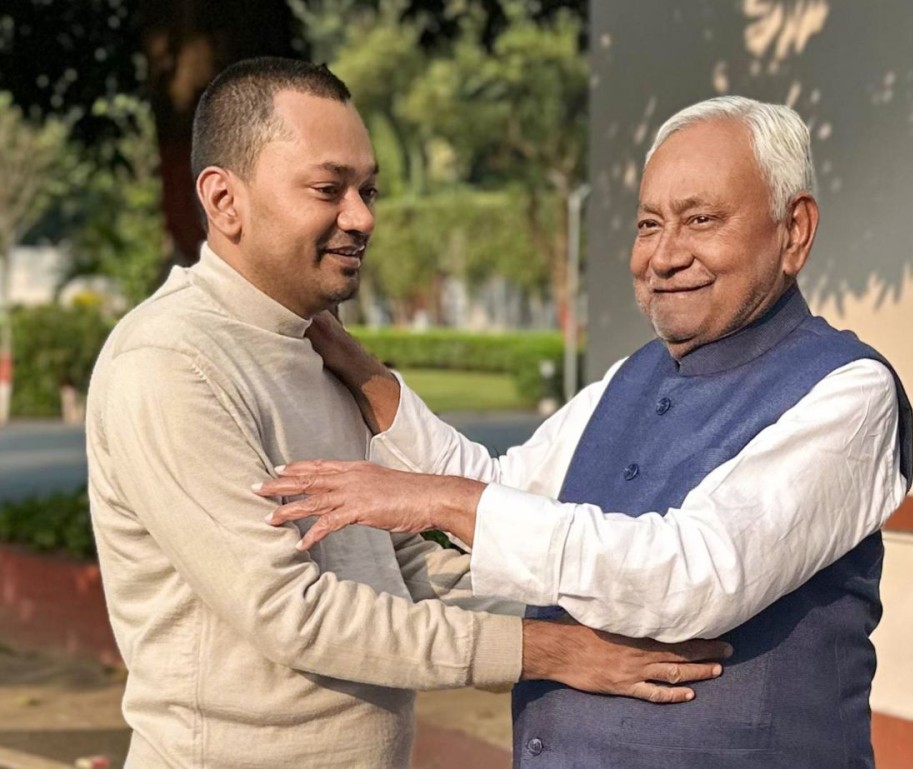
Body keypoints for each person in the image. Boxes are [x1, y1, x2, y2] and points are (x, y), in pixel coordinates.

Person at [85, 58, 730, 769]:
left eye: (368, 191)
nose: (361, 218)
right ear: (224, 199)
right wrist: (548, 650)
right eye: (329, 189)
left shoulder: (317, 346)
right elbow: (293, 611)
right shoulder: (171, 362)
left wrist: (596, 616)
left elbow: (400, 565)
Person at [257, 95, 913, 768]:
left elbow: (695, 576)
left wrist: (439, 499)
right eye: (649, 224)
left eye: (700, 220)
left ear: (794, 231)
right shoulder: (634, 375)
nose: (664, 256)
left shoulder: (848, 391)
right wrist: (361, 370)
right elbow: (503, 486)